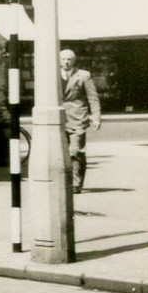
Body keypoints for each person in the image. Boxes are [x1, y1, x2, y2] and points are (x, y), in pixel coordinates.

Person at [60, 48, 102, 193]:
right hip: (60, 119)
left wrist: (96, 117)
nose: (66, 62)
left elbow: (93, 97)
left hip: (78, 118)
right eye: (64, 59)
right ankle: (66, 182)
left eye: (69, 59)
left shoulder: (84, 76)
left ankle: (76, 184)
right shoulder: (53, 75)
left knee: (76, 151)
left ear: (74, 61)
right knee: (62, 152)